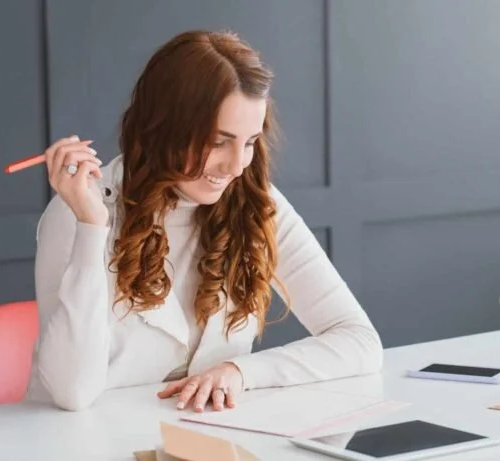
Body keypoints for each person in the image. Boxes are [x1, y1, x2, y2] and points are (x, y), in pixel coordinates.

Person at [27, 30, 383, 412]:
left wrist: (240, 372)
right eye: (217, 141)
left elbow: (358, 340)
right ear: (163, 127)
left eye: (249, 142)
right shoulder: (80, 213)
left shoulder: (256, 204)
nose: (234, 166)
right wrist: (91, 227)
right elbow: (73, 393)